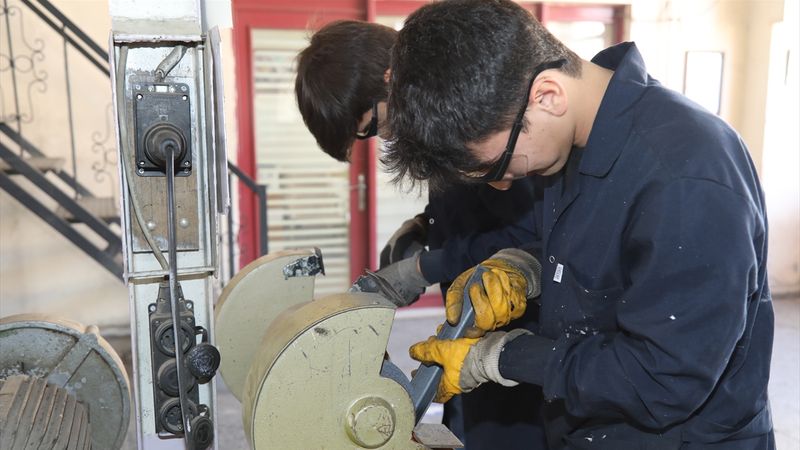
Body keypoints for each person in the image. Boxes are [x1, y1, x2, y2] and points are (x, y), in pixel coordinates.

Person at [386, 1, 776, 449]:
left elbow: (664, 379)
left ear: (547, 96)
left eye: (495, 167)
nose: (500, 185)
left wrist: (501, 357)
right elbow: (612, 254)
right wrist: (525, 266)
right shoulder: (574, 142)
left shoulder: (687, 175)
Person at [294, 20, 547, 449]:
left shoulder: (477, 119)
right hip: (468, 326)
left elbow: (529, 239)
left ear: (391, 80)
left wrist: (425, 267)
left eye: (374, 126)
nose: (385, 136)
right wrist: (426, 225)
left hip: (517, 339)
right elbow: (472, 206)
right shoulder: (435, 128)